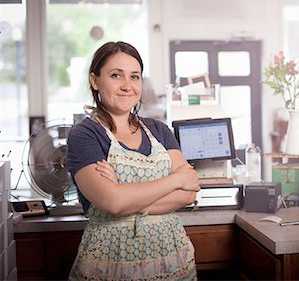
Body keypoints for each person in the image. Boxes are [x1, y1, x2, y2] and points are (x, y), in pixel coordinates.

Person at [67, 41, 200, 280]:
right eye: (116, 75)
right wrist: (174, 179)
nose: (127, 86)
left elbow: (189, 192)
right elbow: (113, 201)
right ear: (95, 80)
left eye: (135, 77)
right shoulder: (84, 135)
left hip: (172, 257)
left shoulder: (159, 130)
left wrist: (125, 195)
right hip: (110, 262)